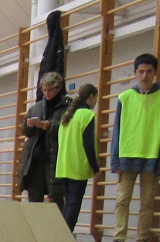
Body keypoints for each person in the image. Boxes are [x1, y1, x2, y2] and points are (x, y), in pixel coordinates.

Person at [106, 53, 160, 242]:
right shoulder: (124, 97)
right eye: (141, 71)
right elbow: (116, 132)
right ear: (135, 73)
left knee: (147, 202)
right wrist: (114, 160)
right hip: (127, 156)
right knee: (122, 199)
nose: (144, 75)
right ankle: (119, 240)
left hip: (151, 156)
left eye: (149, 71)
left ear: (155, 72)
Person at [53, 84, 100, 232]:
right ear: (91, 96)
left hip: (63, 165)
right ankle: (66, 234)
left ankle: (63, 232)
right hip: (77, 165)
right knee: (74, 203)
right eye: (96, 98)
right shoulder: (87, 116)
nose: (96, 101)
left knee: (69, 203)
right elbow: (88, 144)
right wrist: (95, 167)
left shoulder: (67, 117)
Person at [18, 72, 69, 207]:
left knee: (57, 197)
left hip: (55, 158)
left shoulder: (68, 107)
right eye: (44, 90)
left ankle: (57, 227)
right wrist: (28, 125)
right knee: (34, 198)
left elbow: (70, 130)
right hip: (36, 160)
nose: (47, 93)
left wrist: (51, 126)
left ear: (58, 88)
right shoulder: (36, 107)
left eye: (50, 90)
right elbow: (25, 131)